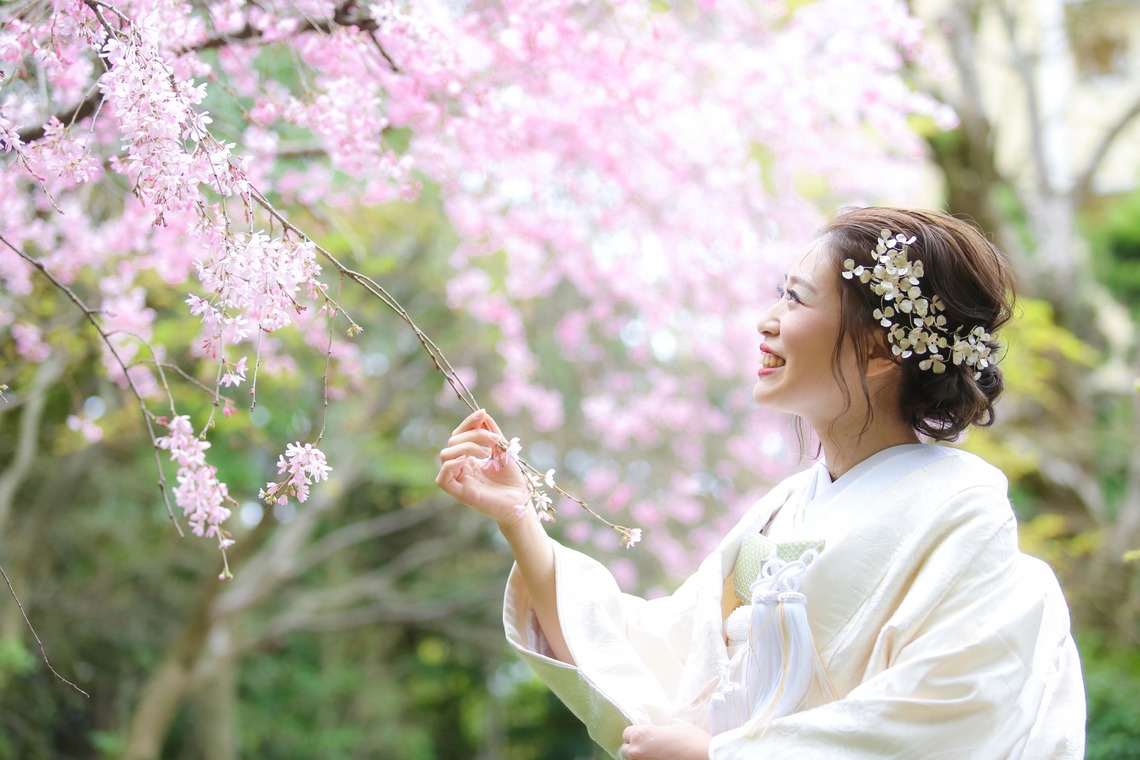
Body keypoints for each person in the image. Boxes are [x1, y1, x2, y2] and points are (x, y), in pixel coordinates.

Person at [435, 207, 1086, 759]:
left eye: (796, 299)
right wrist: (519, 518)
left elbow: (950, 715)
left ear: (879, 350)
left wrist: (722, 755)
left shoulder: (961, 510)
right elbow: (661, 659)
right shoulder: (782, 511)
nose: (766, 320)